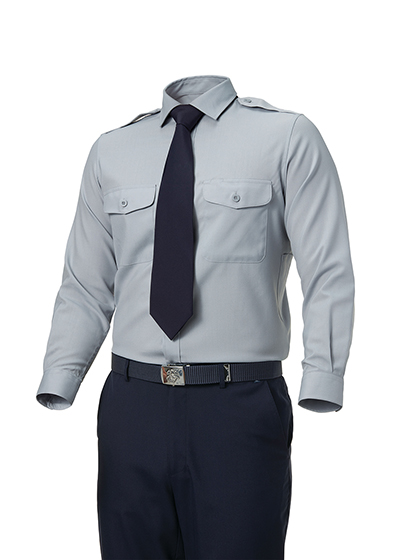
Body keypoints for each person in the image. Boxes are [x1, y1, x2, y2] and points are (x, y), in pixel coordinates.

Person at [36, 74, 355, 559]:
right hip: (132, 406)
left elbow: (327, 269)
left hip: (238, 408)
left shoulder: (287, 137)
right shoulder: (112, 151)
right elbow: (85, 283)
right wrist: (61, 374)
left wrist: (324, 376)